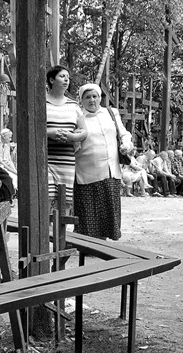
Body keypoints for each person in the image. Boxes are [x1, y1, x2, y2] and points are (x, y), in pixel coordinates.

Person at [73, 83, 133, 240]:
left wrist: (126, 145)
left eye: (95, 96)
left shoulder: (111, 113)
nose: (92, 100)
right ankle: (87, 246)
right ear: (81, 100)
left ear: (100, 98)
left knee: (107, 214)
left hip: (110, 171)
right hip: (87, 173)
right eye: (87, 97)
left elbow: (124, 133)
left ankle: (103, 245)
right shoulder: (77, 116)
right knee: (88, 215)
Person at [46, 65, 86, 209]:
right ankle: (46, 225)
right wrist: (50, 133)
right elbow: (32, 128)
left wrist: (72, 136)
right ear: (52, 80)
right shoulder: (41, 103)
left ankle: (61, 225)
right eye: (62, 76)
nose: (66, 80)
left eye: (68, 77)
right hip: (45, 159)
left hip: (66, 160)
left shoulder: (73, 105)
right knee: (47, 198)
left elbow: (84, 131)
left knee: (64, 203)